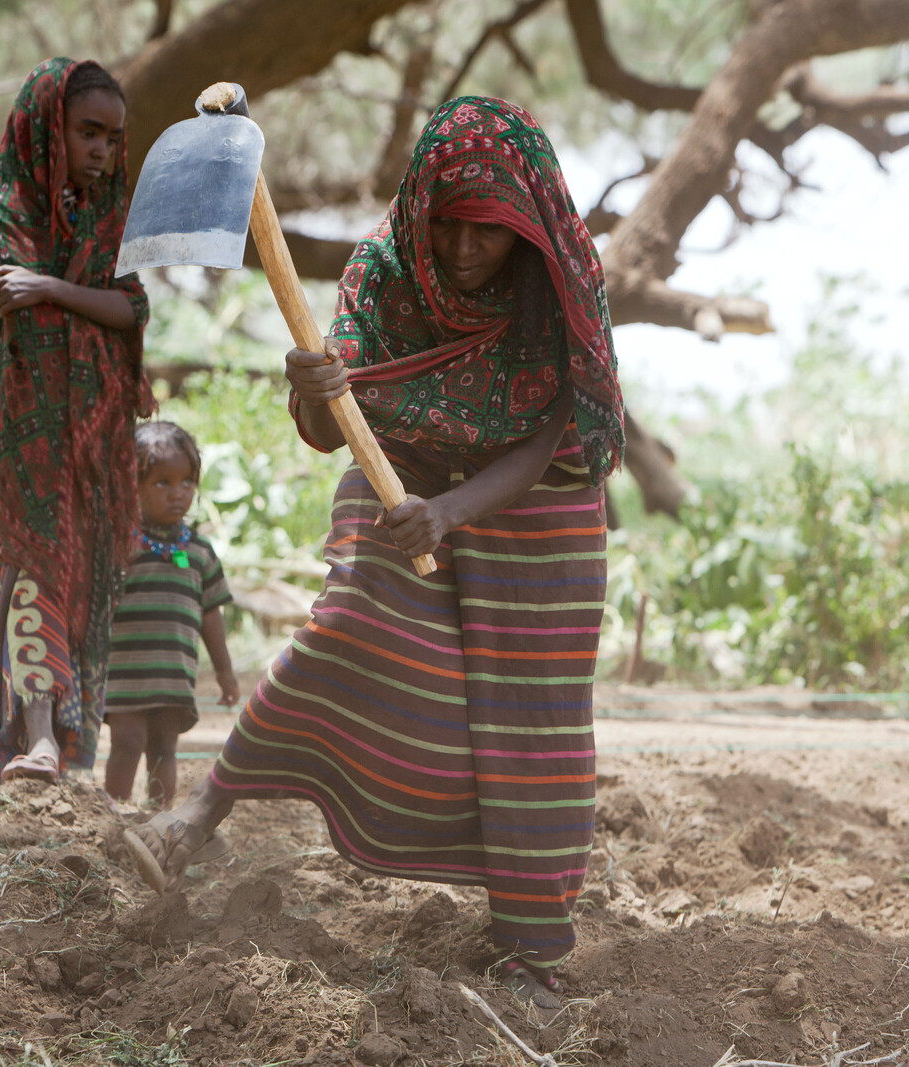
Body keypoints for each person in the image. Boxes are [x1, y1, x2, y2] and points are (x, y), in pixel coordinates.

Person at [123, 97, 625, 1017]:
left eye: (490, 230)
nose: (467, 248)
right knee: (351, 621)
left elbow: (552, 425)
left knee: (532, 719)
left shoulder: (560, 278)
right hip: (400, 458)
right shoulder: (383, 269)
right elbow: (329, 424)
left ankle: (531, 950)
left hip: (536, 491)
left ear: (526, 222)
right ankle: (200, 812)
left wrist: (452, 514)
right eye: (450, 224)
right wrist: (311, 390)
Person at [0, 58, 151, 786]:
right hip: (32, 434)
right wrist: (88, 296)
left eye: (113, 138)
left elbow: (132, 308)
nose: (102, 151)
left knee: (89, 584)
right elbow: (27, 304)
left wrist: (51, 284)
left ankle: (70, 752)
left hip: (100, 441)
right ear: (50, 126)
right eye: (88, 132)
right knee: (33, 573)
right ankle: (38, 736)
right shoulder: (6, 210)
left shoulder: (113, 216)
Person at [103, 422, 240, 808]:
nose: (178, 494)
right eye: (161, 483)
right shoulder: (120, 544)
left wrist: (224, 670)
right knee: (127, 742)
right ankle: (112, 816)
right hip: (127, 674)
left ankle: (159, 816)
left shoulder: (199, 550)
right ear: (131, 486)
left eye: (186, 482)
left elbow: (211, 614)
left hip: (174, 675)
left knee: (165, 747)